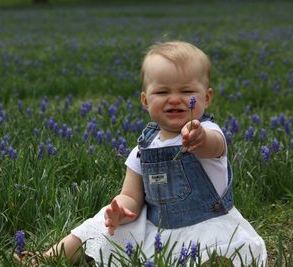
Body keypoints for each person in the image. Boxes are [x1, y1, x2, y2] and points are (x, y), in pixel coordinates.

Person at [14, 41, 267, 266]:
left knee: (213, 256)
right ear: (145, 101)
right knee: (95, 226)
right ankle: (47, 258)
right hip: (157, 228)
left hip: (206, 227)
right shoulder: (142, 149)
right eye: (162, 92)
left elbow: (215, 145)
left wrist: (199, 137)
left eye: (187, 92)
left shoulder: (208, 131)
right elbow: (130, 196)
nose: (175, 99)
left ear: (206, 98)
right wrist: (120, 211)